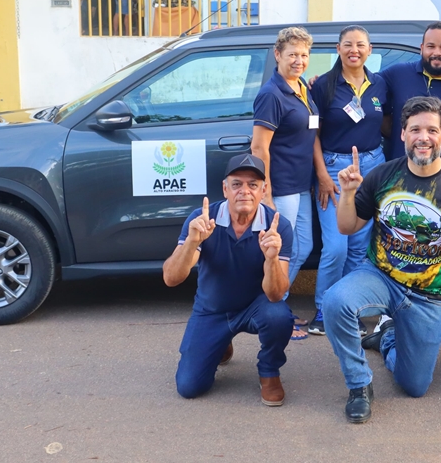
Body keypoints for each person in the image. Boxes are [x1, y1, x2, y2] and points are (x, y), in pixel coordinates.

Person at [323, 96, 441, 423]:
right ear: (403, 133)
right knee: (336, 301)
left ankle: (388, 339)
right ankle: (359, 385)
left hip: (429, 296)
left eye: (432, 130)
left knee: (415, 386)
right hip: (380, 277)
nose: (424, 137)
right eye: (416, 129)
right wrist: (347, 193)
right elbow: (347, 226)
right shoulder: (383, 176)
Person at [163, 154, 294, 407]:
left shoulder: (278, 227)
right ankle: (221, 342)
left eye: (253, 185)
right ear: (225, 189)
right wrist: (192, 242)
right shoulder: (202, 220)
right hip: (212, 310)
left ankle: (269, 372)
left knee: (279, 316)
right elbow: (171, 278)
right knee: (190, 387)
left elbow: (276, 294)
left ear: (263, 190)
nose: (244, 191)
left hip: (256, 308)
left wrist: (271, 258)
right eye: (237, 184)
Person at [307, 25, 387, 336]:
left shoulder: (380, 84)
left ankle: (349, 309)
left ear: (370, 50)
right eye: (348, 44)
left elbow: (389, 122)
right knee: (336, 246)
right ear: (338, 49)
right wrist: (322, 175)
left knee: (358, 246)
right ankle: (324, 309)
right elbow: (311, 133)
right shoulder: (323, 86)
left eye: (361, 45)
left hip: (372, 165)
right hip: (334, 167)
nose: (354, 50)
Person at [252, 27, 318, 340]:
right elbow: (259, 148)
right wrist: (265, 192)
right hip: (282, 187)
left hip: (302, 185)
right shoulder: (271, 94)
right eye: (292, 54)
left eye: (304, 55)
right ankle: (274, 311)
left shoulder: (301, 86)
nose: (299, 60)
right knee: (282, 251)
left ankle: (277, 301)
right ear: (278, 55)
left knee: (302, 247)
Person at [378, 21, 441, 166]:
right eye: (431, 46)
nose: (437, 53)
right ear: (422, 48)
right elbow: (364, 88)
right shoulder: (397, 74)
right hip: (399, 172)